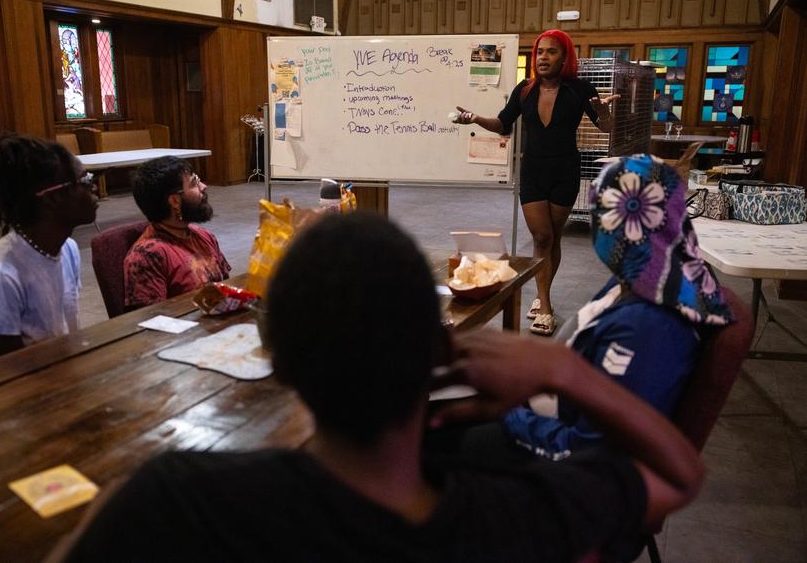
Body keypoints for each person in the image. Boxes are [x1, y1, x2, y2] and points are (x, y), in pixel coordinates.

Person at [59, 213, 703, 563]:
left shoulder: (180, 503)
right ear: (443, 352)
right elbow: (679, 475)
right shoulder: (522, 513)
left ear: (278, 366)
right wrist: (561, 368)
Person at [504, 156, 734, 460]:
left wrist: (505, 413)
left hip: (557, 465)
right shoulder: (655, 279)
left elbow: (591, 450)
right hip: (553, 411)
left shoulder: (648, 326)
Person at [455, 30, 619, 336]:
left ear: (564, 57)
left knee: (552, 237)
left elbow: (607, 128)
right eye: (540, 52)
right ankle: (544, 306)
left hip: (565, 172)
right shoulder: (525, 90)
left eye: (551, 52)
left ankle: (544, 294)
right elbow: (503, 124)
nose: (543, 57)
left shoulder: (580, 90)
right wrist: (477, 118)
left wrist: (604, 113)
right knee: (541, 236)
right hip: (532, 172)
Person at [0, 134, 98, 367]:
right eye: (85, 180)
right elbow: (6, 373)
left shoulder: (68, 249)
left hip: (57, 376)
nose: (93, 187)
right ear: (53, 197)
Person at [124, 156, 230, 310]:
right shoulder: (146, 256)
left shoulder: (204, 236)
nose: (204, 186)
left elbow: (226, 290)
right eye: (194, 183)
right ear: (174, 201)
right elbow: (154, 322)